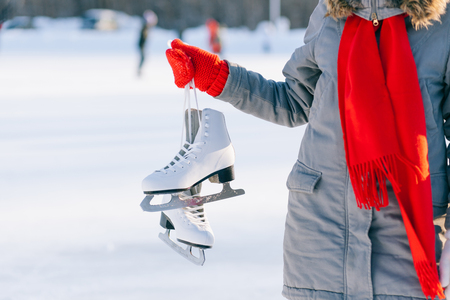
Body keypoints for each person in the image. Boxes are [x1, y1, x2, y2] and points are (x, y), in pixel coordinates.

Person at [165, 0, 450, 299]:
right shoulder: (331, 14)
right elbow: (295, 101)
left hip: (408, 242)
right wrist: (217, 75)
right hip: (319, 237)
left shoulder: (441, 26)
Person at [137, 10, 158, 76]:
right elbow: (143, 36)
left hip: (142, 45)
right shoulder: (144, 27)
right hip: (141, 45)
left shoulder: (145, 27)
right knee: (143, 58)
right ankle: (139, 70)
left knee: (143, 58)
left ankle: (140, 70)